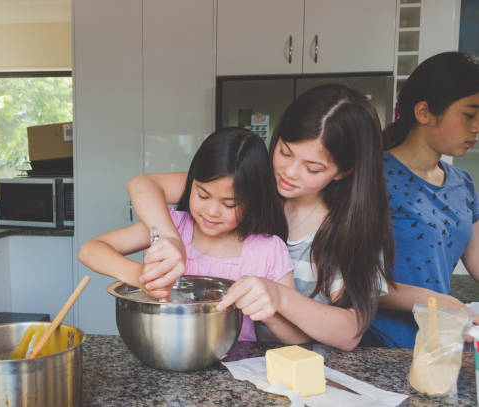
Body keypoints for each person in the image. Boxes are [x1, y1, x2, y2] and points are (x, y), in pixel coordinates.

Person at [127, 84, 394, 351]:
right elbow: (143, 185)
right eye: (285, 152)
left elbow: (350, 332)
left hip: (312, 373)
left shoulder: (351, 229)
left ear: (343, 170)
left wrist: (280, 297)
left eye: (312, 168)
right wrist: (170, 237)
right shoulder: (249, 184)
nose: (289, 172)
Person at [78, 127, 301, 342]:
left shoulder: (268, 250)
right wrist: (141, 277)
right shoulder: (174, 224)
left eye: (230, 204)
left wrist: (267, 311)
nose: (212, 211)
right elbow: (90, 250)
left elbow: (297, 336)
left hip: (234, 368)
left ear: (252, 201)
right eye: (203, 195)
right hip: (162, 351)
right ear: (190, 185)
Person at [366, 52, 479, 348]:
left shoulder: (463, 184)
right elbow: (356, 280)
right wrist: (440, 302)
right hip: (382, 344)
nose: (477, 126)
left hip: (439, 343)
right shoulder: (374, 177)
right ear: (424, 112)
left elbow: (477, 259)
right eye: (470, 114)